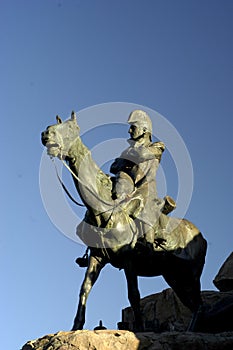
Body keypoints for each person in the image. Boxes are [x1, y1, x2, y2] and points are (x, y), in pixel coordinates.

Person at [110, 109, 175, 246]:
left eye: (133, 127)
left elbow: (144, 155)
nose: (129, 131)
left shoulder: (157, 146)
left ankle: (149, 244)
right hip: (125, 187)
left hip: (145, 188)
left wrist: (127, 158)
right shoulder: (127, 151)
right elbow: (114, 166)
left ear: (144, 130)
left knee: (146, 208)